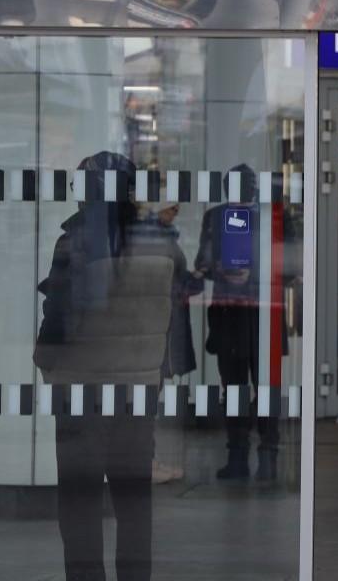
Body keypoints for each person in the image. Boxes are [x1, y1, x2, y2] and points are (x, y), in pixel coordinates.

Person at [34, 152, 178, 581]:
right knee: (134, 506)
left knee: (79, 506)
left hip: (82, 391)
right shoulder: (160, 239)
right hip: (137, 391)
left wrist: (44, 360)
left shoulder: (77, 242)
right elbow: (173, 314)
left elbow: (60, 318)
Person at [196, 164, 280, 481]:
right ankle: (262, 456)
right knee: (259, 388)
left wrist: (222, 270)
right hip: (255, 312)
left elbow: (202, 262)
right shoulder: (267, 217)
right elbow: (287, 263)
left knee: (236, 387)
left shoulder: (217, 217)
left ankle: (242, 456)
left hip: (237, 312)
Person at [144, 202, 202, 484]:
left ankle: (147, 458)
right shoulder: (153, 236)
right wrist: (190, 282)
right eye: (172, 206)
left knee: (150, 394)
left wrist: (194, 279)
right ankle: (144, 461)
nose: (176, 210)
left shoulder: (162, 234)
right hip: (157, 324)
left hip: (162, 322)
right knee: (146, 394)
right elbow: (163, 280)